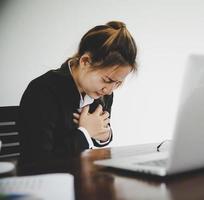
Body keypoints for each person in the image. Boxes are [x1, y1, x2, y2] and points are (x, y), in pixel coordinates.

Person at [18, 21, 137, 163]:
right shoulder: (42, 91)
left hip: (85, 173)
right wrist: (86, 133)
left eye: (118, 83)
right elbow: (39, 159)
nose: (109, 90)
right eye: (107, 80)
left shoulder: (103, 93)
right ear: (85, 61)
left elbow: (100, 134)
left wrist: (104, 134)